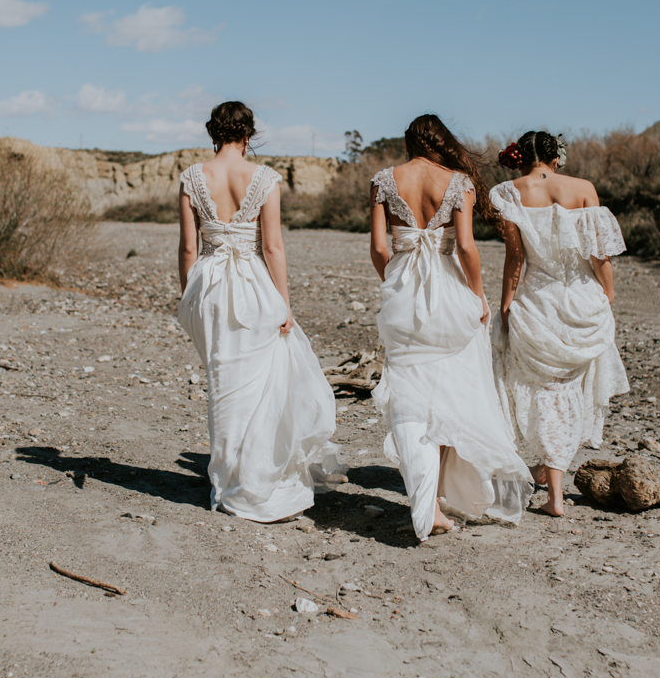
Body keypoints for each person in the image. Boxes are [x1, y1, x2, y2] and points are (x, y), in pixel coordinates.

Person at [369, 114, 531, 540]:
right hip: (448, 289)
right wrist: (478, 296)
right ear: (442, 142)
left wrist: (395, 282)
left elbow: (379, 247)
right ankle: (432, 502)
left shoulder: (384, 179)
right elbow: (464, 246)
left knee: (408, 389)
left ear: (409, 142)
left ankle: (427, 503)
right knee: (450, 390)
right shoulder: (459, 182)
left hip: (403, 287)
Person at [177, 101, 340, 521]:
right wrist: (284, 303)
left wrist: (188, 298)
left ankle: (228, 482)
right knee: (257, 385)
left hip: (209, 287)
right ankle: (254, 481)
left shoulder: (192, 178)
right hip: (252, 286)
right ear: (248, 135)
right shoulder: (265, 178)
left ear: (214, 134)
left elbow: (188, 249)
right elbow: (272, 247)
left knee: (222, 384)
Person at [491, 131, 629, 517]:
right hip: (580, 298)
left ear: (521, 157)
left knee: (543, 387)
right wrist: (608, 293)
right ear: (556, 157)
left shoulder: (508, 192)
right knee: (570, 387)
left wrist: (506, 304)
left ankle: (548, 480)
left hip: (538, 299)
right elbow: (598, 253)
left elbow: (515, 258)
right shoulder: (583, 188)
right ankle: (553, 485)